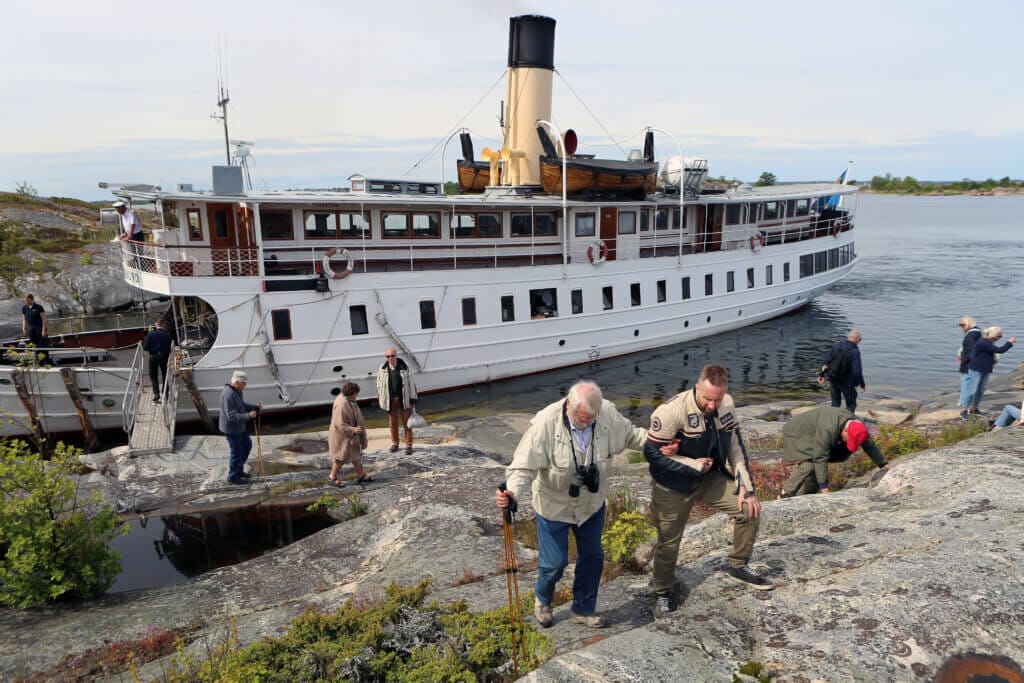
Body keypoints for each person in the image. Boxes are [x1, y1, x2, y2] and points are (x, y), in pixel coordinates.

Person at [495, 380, 649, 629]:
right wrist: (511, 492)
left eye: (591, 418)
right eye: (581, 419)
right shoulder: (546, 424)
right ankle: (543, 600)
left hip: (590, 504)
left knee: (593, 557)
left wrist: (661, 441)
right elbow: (523, 466)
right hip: (554, 506)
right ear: (568, 405)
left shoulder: (606, 412)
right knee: (554, 563)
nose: (586, 423)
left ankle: (584, 608)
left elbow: (631, 435)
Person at [645, 364, 771, 619]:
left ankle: (738, 565)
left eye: (718, 398)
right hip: (673, 485)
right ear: (697, 387)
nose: (713, 405)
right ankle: (662, 592)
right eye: (707, 398)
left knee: (749, 510)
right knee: (669, 541)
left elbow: (735, 446)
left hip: (709, 479)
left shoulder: (726, 405)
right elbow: (651, 453)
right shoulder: (671, 412)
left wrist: (746, 487)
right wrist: (692, 464)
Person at [780, 406, 890, 497]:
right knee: (808, 466)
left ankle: (806, 497)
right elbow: (820, 457)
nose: (847, 441)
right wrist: (824, 488)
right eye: (848, 438)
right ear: (846, 430)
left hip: (816, 430)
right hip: (798, 433)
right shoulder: (828, 429)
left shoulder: (858, 426)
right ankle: (785, 494)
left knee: (816, 471)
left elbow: (869, 444)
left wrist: (883, 464)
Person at [962, 326, 1016, 419]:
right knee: (971, 391)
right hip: (976, 370)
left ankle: (974, 409)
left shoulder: (988, 342)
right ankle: (964, 411)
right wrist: (1009, 342)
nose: (1000, 337)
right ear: (994, 336)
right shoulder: (983, 342)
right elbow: (1000, 350)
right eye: (1000, 336)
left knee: (980, 390)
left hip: (984, 370)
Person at [219, 370, 262, 485]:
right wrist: (249, 415)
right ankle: (232, 476)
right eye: (244, 383)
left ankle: (239, 470)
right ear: (237, 382)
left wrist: (254, 407)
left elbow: (242, 405)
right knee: (236, 451)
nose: (245, 386)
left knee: (247, 445)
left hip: (240, 426)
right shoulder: (228, 395)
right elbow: (231, 416)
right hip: (232, 429)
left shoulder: (238, 391)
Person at [328, 382, 372, 486]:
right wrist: (352, 429)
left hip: (350, 437)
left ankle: (361, 475)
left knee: (355, 456)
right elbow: (339, 423)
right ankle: (332, 477)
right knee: (340, 458)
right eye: (356, 393)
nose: (357, 395)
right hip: (342, 437)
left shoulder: (349, 400)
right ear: (351, 393)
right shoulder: (341, 404)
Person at [376, 348, 418, 454]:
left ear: (396, 355)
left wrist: (413, 399)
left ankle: (409, 445)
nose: (390, 358)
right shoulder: (382, 368)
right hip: (390, 400)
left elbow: (411, 384)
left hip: (403, 399)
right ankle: (395, 443)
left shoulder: (405, 367)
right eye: (388, 356)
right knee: (392, 423)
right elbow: (379, 385)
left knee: (407, 423)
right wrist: (382, 400)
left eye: (392, 356)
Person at [817, 330, 866, 413]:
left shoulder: (837, 346)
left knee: (835, 404)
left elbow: (826, 362)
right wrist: (862, 384)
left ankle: (834, 423)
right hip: (847, 383)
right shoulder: (855, 351)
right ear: (857, 339)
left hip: (833, 379)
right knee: (851, 405)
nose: (859, 342)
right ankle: (848, 422)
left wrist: (821, 375)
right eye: (860, 340)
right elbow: (857, 371)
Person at [957, 316, 982, 416]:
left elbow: (972, 350)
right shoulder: (977, 333)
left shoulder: (971, 335)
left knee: (967, 387)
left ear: (969, 324)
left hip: (969, 365)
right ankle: (973, 408)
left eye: (962, 325)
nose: (961, 327)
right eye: (960, 325)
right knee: (972, 387)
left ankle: (964, 410)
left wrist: (965, 360)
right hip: (975, 364)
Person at [142, 320, 172, 403]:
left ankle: (156, 394)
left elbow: (145, 348)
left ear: (157, 325)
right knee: (165, 375)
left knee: (153, 375)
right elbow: (170, 347)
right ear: (163, 325)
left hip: (153, 356)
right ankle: (166, 393)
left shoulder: (150, 334)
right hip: (164, 357)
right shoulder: (167, 334)